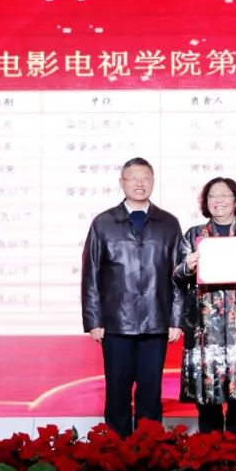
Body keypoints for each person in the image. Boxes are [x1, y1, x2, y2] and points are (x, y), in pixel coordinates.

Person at [81, 157, 184, 437]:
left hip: (156, 321)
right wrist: (93, 321)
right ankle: (116, 451)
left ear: (153, 182)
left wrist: (176, 320)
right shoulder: (104, 222)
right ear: (122, 182)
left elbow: (179, 275)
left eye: (145, 178)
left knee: (151, 391)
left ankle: (149, 449)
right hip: (116, 323)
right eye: (133, 178)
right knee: (117, 390)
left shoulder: (169, 223)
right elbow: (91, 274)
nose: (140, 183)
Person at [174, 176, 236, 437]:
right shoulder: (194, 234)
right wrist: (187, 267)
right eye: (212, 196)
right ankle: (210, 451)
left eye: (224, 195)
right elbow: (177, 276)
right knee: (207, 394)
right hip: (204, 328)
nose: (218, 200)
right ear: (205, 202)